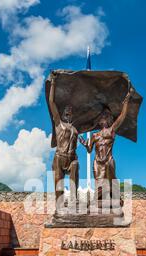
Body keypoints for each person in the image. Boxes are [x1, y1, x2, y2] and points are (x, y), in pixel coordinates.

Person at [80, 86, 134, 211]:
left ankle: (115, 200)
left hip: (108, 160)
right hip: (97, 162)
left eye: (106, 115)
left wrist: (127, 99)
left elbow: (122, 116)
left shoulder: (112, 130)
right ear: (100, 120)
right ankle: (99, 203)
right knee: (99, 185)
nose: (104, 117)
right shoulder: (94, 135)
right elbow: (89, 149)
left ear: (108, 118)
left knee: (111, 182)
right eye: (102, 115)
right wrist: (84, 144)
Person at [49, 72, 79, 211]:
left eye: (70, 111)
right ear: (61, 114)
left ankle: (74, 199)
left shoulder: (75, 128)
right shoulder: (58, 123)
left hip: (72, 157)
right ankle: (59, 205)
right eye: (66, 110)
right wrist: (54, 83)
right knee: (59, 183)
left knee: (75, 167)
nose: (68, 111)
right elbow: (51, 102)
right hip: (60, 157)